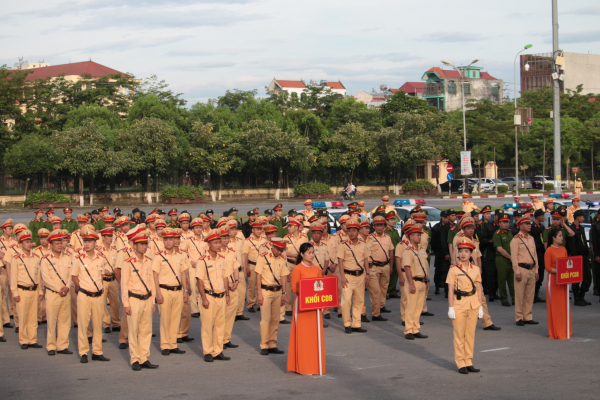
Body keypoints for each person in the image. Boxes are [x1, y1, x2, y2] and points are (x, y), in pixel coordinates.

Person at [71, 228, 111, 363]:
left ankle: (97, 351)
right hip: (84, 295)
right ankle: (83, 352)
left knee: (98, 324)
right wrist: (81, 287)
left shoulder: (101, 258)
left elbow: (100, 275)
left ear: (95, 242)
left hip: (98, 295)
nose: (87, 244)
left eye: (89, 241)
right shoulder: (78, 259)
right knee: (83, 324)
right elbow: (74, 276)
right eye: (85, 241)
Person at [287, 242, 326, 375]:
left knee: (314, 334)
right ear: (302, 254)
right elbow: (294, 288)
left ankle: (315, 365)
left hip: (315, 305)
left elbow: (322, 287)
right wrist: (307, 290)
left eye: (313, 252)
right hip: (302, 306)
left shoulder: (317, 269)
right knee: (303, 335)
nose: (311, 255)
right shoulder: (298, 269)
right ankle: (303, 366)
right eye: (308, 252)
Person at [447, 237, 484, 374]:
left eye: (466, 251)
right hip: (459, 303)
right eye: (461, 251)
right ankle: (460, 362)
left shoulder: (475, 269)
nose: (463, 254)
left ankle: (469, 361)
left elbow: (479, 288)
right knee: (459, 334)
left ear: (471, 253)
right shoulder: (454, 269)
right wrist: (451, 307)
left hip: (473, 303)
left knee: (470, 335)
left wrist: (480, 306)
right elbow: (450, 289)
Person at [152, 227, 189, 356]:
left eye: (171, 239)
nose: (168, 242)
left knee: (175, 318)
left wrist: (185, 290)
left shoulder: (180, 255)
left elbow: (183, 274)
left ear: (175, 240)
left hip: (177, 290)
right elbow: (155, 276)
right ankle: (165, 344)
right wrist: (158, 293)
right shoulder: (158, 256)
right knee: (165, 319)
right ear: (163, 241)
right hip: (164, 289)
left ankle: (173, 344)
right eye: (166, 240)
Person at [197, 229, 230, 362]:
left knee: (220, 324)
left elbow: (226, 278)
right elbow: (199, 280)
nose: (219, 245)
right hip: (209, 296)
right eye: (216, 243)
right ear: (209, 244)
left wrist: (227, 294)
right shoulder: (202, 261)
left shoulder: (222, 259)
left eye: (219, 242)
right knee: (207, 325)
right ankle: (208, 351)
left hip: (221, 296)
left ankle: (218, 350)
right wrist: (204, 298)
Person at [40, 229, 73, 355]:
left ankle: (63, 345)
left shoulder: (67, 257)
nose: (60, 245)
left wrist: (67, 286)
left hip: (66, 293)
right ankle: (51, 346)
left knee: (65, 320)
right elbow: (46, 278)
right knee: (52, 320)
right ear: (51, 245)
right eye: (57, 243)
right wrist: (59, 289)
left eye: (61, 242)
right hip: (53, 294)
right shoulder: (45, 259)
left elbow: (71, 274)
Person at [256, 236, 290, 355]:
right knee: (265, 319)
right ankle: (264, 345)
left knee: (275, 319)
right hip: (265, 291)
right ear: (273, 246)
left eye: (282, 250)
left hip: (277, 291)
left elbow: (283, 276)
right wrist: (259, 293)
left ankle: (272, 343)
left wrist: (284, 293)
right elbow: (258, 276)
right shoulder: (263, 257)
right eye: (278, 249)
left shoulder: (282, 258)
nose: (279, 252)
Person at [10, 229, 44, 349]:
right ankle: (24, 340)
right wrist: (14, 292)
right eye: (26, 242)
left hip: (33, 290)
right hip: (22, 290)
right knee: (23, 316)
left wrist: (40, 291)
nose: (29, 244)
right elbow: (13, 277)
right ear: (21, 244)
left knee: (33, 316)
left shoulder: (36, 257)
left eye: (30, 241)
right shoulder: (17, 258)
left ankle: (32, 339)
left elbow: (39, 276)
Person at [338, 221, 370, 334]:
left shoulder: (363, 244)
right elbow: (340, 262)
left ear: (358, 231)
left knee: (359, 300)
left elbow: (365, 259)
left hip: (360, 275)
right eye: (349, 230)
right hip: (348, 276)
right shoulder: (343, 245)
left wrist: (367, 274)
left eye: (354, 230)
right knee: (346, 301)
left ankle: (356, 324)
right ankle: (347, 323)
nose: (351, 233)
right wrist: (342, 277)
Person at [510, 216, 539, 326]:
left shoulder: (531, 239)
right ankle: (519, 317)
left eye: (529, 223)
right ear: (520, 225)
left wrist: (536, 270)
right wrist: (516, 271)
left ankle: (528, 316)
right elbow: (514, 257)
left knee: (529, 295)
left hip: (531, 268)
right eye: (526, 223)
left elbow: (535, 255)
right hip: (521, 269)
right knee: (519, 295)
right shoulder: (516, 239)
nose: (529, 225)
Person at [544, 229, 573, 339]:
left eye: (562, 236)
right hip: (554, 280)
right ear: (554, 238)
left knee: (564, 304)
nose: (562, 238)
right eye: (560, 236)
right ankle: (556, 331)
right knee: (556, 306)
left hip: (563, 279)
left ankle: (565, 329)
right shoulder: (549, 251)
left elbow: (567, 264)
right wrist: (560, 270)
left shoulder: (563, 249)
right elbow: (548, 268)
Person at [402, 224, 429, 340]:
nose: (420, 237)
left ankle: (415, 328)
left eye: (420, 235)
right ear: (411, 237)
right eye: (418, 235)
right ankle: (408, 330)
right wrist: (411, 283)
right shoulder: (408, 250)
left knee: (418, 307)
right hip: (413, 281)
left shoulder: (421, 250)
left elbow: (425, 266)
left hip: (422, 281)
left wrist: (427, 281)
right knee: (411, 306)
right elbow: (407, 267)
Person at [366, 216, 394, 321]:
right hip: (374, 266)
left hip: (385, 265)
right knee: (375, 290)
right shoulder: (370, 238)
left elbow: (391, 252)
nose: (379, 227)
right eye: (377, 225)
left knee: (384, 287)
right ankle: (375, 309)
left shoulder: (388, 237)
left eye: (381, 225)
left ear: (384, 226)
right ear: (374, 226)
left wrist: (391, 266)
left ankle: (381, 305)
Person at [96, 227, 120, 334]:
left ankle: (116, 322)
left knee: (115, 302)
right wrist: (103, 270)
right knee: (102, 303)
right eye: (108, 236)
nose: (110, 238)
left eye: (111, 236)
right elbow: (95, 265)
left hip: (113, 279)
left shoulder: (115, 250)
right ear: (103, 237)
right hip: (103, 279)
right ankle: (106, 323)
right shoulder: (98, 250)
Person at [284, 218, 308, 316]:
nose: (289, 228)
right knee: (289, 286)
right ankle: (288, 307)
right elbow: (283, 251)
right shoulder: (286, 237)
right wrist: (294, 255)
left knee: (301, 286)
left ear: (297, 227)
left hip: (300, 264)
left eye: (291, 226)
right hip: (290, 264)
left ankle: (301, 304)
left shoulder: (304, 237)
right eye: (289, 226)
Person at [568, 210, 592, 306]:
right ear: (578, 217)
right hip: (576, 256)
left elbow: (584, 242)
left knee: (588, 278)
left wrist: (587, 255)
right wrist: (573, 257)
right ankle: (576, 298)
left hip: (584, 256)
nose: (584, 218)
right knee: (576, 278)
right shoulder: (571, 229)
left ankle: (581, 296)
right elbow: (572, 245)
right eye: (582, 217)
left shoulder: (581, 228)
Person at [493, 215, 514, 307]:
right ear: (499, 223)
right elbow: (500, 249)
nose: (506, 224)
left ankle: (514, 298)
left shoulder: (510, 232)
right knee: (502, 280)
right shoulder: (497, 234)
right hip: (502, 259)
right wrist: (510, 257)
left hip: (511, 259)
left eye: (507, 222)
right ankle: (504, 299)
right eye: (504, 222)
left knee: (512, 280)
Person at [0, 219, 17, 331]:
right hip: (2, 269)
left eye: (12, 229)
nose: (11, 231)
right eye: (9, 229)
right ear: (4, 229)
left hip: (12, 268)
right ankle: (5, 319)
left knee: (13, 292)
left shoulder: (14, 241)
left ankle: (13, 314)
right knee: (3, 294)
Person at [531, 210, 547, 304]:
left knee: (540, 275)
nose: (543, 218)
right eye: (542, 216)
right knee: (534, 275)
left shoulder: (542, 227)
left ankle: (536, 294)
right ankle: (532, 295)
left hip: (542, 253)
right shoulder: (532, 227)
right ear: (537, 217)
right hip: (535, 252)